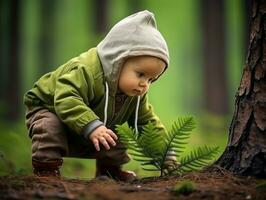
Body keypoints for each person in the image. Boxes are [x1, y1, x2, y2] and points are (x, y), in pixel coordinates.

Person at [24, 10, 174, 182]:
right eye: (140, 74)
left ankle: (109, 171)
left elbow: (148, 123)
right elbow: (66, 98)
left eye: (151, 79)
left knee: (119, 133)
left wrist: (166, 154)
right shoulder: (85, 70)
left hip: (88, 125)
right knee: (49, 125)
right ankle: (46, 171)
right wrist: (92, 126)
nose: (144, 84)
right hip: (49, 109)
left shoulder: (135, 94)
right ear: (117, 61)